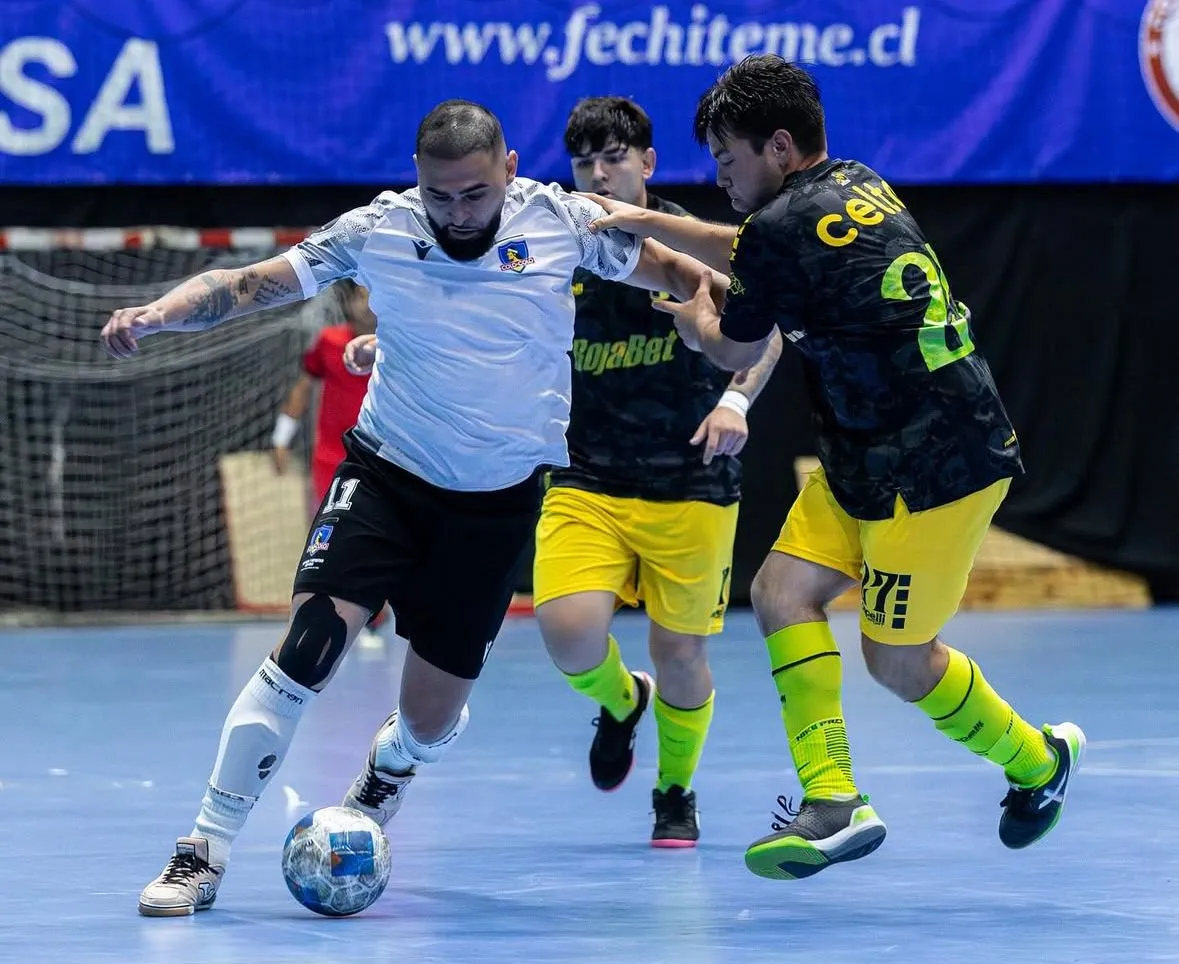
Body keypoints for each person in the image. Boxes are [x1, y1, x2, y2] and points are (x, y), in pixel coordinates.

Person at [102, 99, 721, 916]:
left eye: (474, 193)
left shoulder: (561, 222)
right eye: (441, 196)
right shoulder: (380, 229)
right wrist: (161, 314)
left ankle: (389, 768)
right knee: (311, 646)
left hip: (495, 505)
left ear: (506, 171)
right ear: (417, 183)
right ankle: (202, 851)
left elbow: (677, 271)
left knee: (428, 722)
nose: (458, 213)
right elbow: (249, 284)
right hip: (387, 474)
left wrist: (712, 321)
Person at [582, 55, 1084, 880]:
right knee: (780, 592)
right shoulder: (852, 183)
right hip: (866, 451)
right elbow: (749, 245)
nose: (719, 178)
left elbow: (732, 343)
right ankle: (833, 799)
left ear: (778, 146)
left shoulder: (779, 229)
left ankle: (1036, 763)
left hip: (937, 466)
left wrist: (693, 318)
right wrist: (641, 224)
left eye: (727, 159)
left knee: (896, 661)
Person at [534, 96, 781, 847]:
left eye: (614, 158)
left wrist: (735, 400)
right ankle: (618, 703)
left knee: (680, 654)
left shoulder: (689, 247)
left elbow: (766, 330)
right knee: (567, 632)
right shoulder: (554, 249)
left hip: (692, 481)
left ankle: (675, 791)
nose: (600, 174)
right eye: (585, 163)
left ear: (647, 162)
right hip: (589, 478)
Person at [272, 278, 376, 509]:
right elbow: (303, 388)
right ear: (348, 301)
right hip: (332, 461)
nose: (367, 303)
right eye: (361, 294)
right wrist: (281, 438)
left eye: (373, 294)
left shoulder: (398, 347)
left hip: (380, 462)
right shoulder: (329, 340)